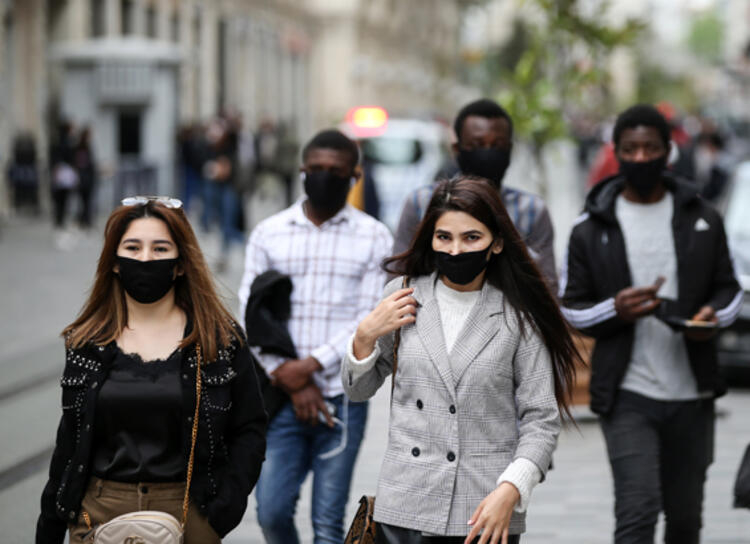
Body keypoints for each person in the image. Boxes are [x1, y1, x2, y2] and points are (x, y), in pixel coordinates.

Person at [344, 176, 580, 544]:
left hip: (486, 510)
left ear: (496, 243)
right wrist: (364, 336)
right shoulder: (403, 294)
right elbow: (358, 392)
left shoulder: (518, 314)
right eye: (444, 237)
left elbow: (542, 420)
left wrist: (512, 489)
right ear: (430, 239)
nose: (455, 251)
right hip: (406, 502)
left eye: (471, 237)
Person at [559, 104, 743, 544]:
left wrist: (710, 317)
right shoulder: (590, 227)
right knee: (637, 514)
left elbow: (731, 290)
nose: (641, 158)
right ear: (616, 152)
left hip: (692, 394)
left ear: (668, 152)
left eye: (650, 148)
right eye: (630, 149)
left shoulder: (702, 217)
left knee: (684, 522)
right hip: (627, 394)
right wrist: (615, 310)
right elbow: (572, 308)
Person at [36, 196, 267, 544]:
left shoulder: (220, 340)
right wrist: (50, 528)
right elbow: (69, 441)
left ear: (180, 264)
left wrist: (224, 510)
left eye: (160, 249)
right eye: (132, 247)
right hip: (98, 515)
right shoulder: (87, 343)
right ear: (114, 261)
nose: (145, 258)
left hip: (190, 512)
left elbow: (250, 427)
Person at [238, 129, 393, 544]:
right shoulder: (269, 233)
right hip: (280, 396)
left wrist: (309, 368)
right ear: (303, 172)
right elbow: (249, 310)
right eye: (317, 169)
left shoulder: (375, 236)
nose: (325, 177)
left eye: (335, 171)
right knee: (271, 512)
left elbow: (368, 318)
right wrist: (288, 376)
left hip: (343, 396)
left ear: (354, 177)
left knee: (327, 523)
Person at [392, 99, 558, 293]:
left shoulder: (530, 210)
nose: (487, 153)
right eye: (477, 144)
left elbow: (547, 287)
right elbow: (398, 277)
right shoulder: (421, 203)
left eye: (497, 145)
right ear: (457, 150)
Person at [73, 126, 97, 229]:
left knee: (84, 201)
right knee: (86, 201)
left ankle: (84, 219)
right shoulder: (84, 148)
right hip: (85, 178)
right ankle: (85, 219)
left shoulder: (79, 147)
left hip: (83, 178)